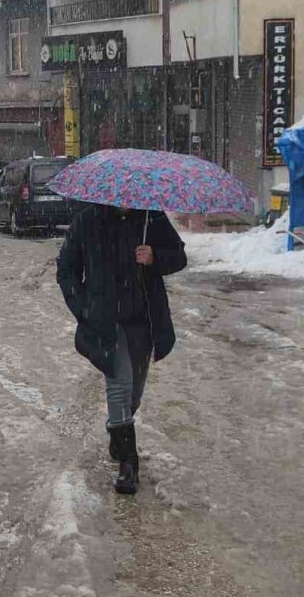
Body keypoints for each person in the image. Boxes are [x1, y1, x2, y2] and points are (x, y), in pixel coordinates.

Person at [56, 205, 187, 495]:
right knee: (119, 381)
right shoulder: (87, 220)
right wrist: (83, 308)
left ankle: (118, 431)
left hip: (143, 320)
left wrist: (154, 257)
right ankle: (129, 462)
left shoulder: (150, 216)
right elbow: (65, 269)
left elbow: (179, 256)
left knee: (133, 393)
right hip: (106, 322)